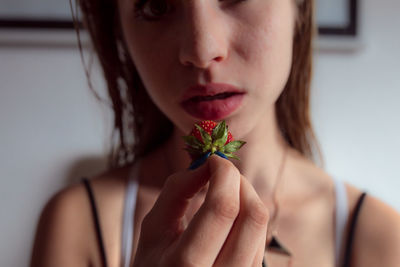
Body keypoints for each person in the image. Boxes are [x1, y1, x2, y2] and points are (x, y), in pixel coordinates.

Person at [30, 0, 400, 266]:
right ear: (120, 33)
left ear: (300, 7)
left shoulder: (380, 236)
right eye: (157, 6)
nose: (202, 51)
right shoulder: (78, 222)